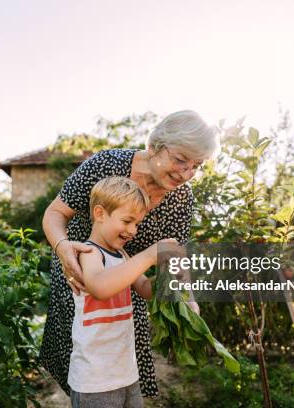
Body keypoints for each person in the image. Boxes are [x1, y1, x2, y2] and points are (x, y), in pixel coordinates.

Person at [40, 110, 221, 397]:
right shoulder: (107, 165)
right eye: (180, 160)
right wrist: (64, 250)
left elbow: (173, 257)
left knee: (122, 358)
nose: (186, 174)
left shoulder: (181, 199)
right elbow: (54, 213)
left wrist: (186, 298)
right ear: (154, 148)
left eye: (196, 166)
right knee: (84, 359)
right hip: (79, 269)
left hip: (128, 277)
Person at [70, 176, 174, 407]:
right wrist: (148, 256)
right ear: (100, 214)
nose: (133, 231)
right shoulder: (89, 253)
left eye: (137, 224)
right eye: (127, 221)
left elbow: (146, 289)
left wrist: (169, 274)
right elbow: (100, 287)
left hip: (126, 372)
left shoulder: (123, 256)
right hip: (94, 379)